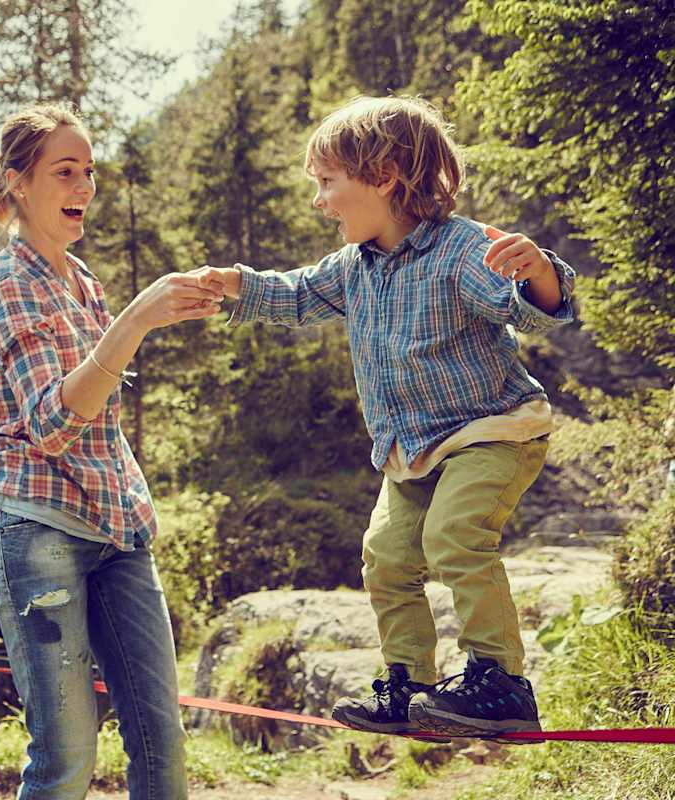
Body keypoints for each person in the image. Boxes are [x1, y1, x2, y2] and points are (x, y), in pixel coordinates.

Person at [195, 96, 576, 740]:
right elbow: (296, 294)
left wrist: (538, 272)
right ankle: (410, 684)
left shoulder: (460, 250)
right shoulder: (354, 267)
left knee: (454, 536)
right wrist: (233, 282)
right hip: (410, 449)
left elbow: (528, 310)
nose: (319, 200)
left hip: (490, 430)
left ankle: (501, 682)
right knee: (387, 558)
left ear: (384, 175)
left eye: (327, 182)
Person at [0, 103, 222, 799]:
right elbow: (53, 425)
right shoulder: (6, 282)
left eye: (88, 171)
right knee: (67, 760)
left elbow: (97, 414)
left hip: (119, 532)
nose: (84, 186)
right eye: (65, 171)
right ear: (18, 182)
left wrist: (137, 318)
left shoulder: (81, 281)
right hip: (39, 533)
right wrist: (135, 320)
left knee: (163, 749)